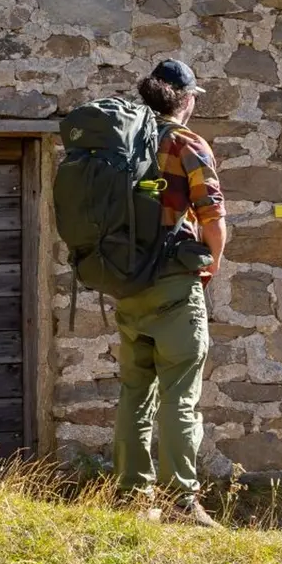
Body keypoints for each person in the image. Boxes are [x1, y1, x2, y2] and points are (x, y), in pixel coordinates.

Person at [112, 58, 228, 528]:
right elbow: (213, 217)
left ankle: (130, 499)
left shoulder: (122, 142)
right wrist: (214, 260)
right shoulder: (186, 143)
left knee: (134, 393)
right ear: (186, 98)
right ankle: (182, 501)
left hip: (127, 285)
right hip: (174, 287)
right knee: (180, 394)